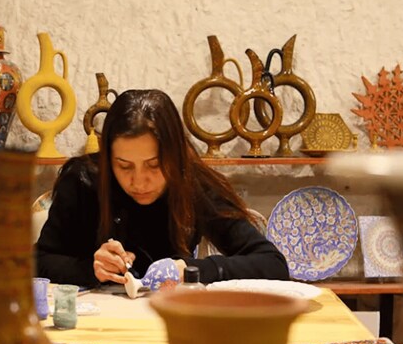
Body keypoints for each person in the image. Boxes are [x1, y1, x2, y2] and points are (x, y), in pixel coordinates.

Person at [35, 88, 289, 287]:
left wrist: (190, 269)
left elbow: (273, 264)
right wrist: (90, 269)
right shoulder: (83, 181)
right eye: (123, 166)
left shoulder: (193, 184)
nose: (139, 181)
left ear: (176, 156)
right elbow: (38, 262)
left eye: (154, 165)